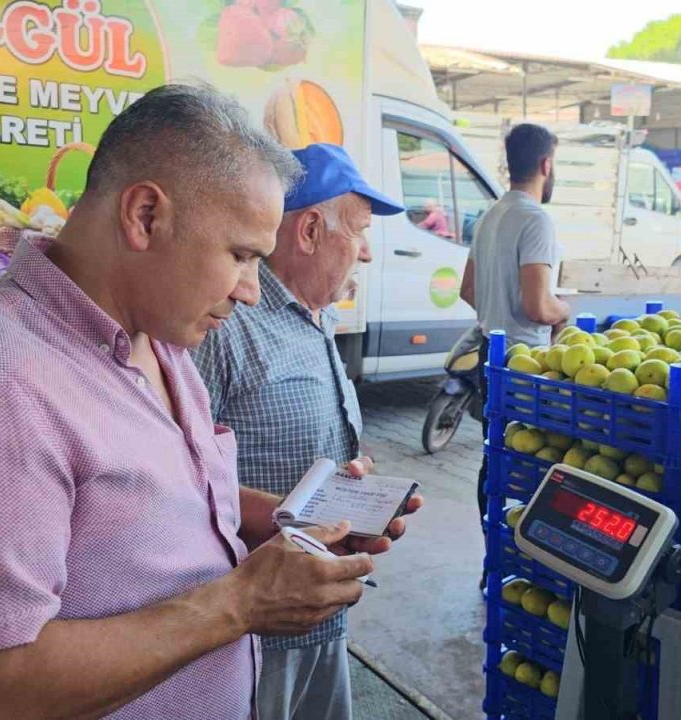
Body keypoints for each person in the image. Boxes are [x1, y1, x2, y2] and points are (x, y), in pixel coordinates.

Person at [0, 84, 383, 719]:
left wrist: (297, 519)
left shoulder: (162, 345)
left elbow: (165, 503)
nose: (250, 292)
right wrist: (239, 603)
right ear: (145, 216)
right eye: (241, 256)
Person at [193, 143, 421, 720]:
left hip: (323, 614)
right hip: (253, 635)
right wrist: (298, 516)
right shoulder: (225, 327)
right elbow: (179, 481)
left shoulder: (315, 318)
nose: (367, 254)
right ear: (311, 231)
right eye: (361, 233)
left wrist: (352, 491)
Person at [460, 123, 571, 558]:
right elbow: (539, 306)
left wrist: (495, 311)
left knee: (495, 459)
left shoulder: (491, 215)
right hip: (528, 364)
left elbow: (468, 290)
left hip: (491, 355)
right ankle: (528, 557)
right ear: (546, 164)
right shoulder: (535, 219)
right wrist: (567, 311)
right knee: (536, 465)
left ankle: (495, 554)